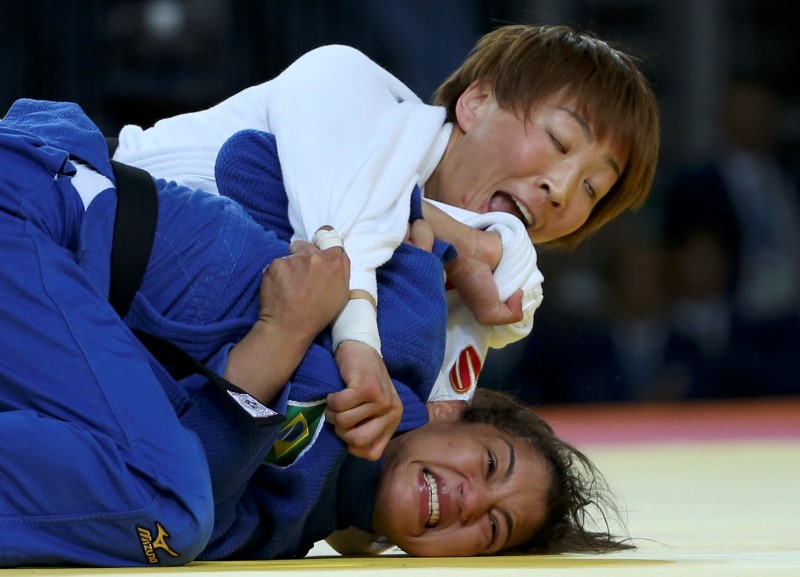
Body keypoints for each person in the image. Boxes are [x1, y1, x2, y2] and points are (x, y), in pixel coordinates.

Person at [0, 98, 629, 565]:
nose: (471, 499)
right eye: (491, 465)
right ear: (451, 415)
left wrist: (280, 338)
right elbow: (250, 159)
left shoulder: (275, 531)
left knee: (165, 521)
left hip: (35, 315)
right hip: (47, 204)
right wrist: (416, 250)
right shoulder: (407, 336)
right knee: (171, 502)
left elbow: (170, 513)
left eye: (493, 529)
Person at [113, 23, 661, 459]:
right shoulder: (349, 83)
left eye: (592, 187)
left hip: (142, 387)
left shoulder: (457, 292)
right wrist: (474, 247)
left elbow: (398, 459)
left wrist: (488, 247)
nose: (563, 191)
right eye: (558, 140)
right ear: (475, 103)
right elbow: (336, 239)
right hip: (76, 218)